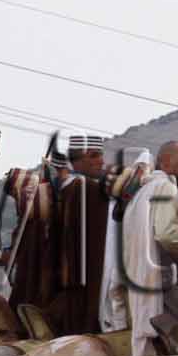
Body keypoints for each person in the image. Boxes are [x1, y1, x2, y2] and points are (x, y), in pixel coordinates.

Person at [109, 141, 178, 356]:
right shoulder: (166, 187)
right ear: (166, 162)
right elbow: (166, 235)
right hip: (167, 286)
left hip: (143, 286)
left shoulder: (140, 194)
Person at [47, 134, 115, 337]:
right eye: (94, 156)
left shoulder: (71, 186)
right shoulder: (85, 187)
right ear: (77, 159)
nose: (101, 161)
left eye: (100, 155)